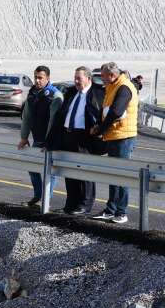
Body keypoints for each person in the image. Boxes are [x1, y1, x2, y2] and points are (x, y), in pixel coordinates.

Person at [90, 62, 139, 224]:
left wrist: (101, 129)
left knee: (122, 176)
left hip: (123, 137)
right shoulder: (112, 86)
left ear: (112, 75)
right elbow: (105, 109)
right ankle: (111, 210)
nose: (101, 79)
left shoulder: (124, 87)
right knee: (113, 175)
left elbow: (116, 112)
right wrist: (100, 125)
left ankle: (121, 212)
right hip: (114, 136)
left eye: (102, 76)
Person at [17, 65, 66, 206]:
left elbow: (53, 121)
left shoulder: (54, 95)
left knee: (49, 172)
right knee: (32, 167)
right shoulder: (32, 93)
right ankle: (38, 196)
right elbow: (27, 116)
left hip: (51, 141)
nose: (37, 81)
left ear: (48, 78)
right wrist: (24, 137)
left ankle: (46, 199)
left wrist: (48, 142)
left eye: (40, 78)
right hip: (37, 139)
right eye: (36, 77)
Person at [58, 66, 102, 214]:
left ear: (88, 79)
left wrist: (98, 131)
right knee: (70, 172)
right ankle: (71, 203)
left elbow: (101, 115)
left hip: (84, 138)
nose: (76, 81)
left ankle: (85, 204)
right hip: (67, 135)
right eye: (75, 78)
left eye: (79, 78)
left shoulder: (96, 93)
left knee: (84, 172)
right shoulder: (71, 92)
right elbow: (60, 117)